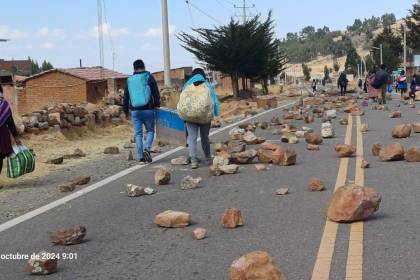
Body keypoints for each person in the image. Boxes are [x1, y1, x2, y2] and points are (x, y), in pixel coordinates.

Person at [123, 59, 160, 164]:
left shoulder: (129, 80)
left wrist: (125, 111)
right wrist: (157, 106)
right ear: (144, 66)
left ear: (134, 68)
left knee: (138, 133)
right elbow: (156, 94)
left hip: (135, 111)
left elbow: (126, 97)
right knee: (150, 131)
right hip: (148, 109)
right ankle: (147, 149)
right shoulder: (149, 77)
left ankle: (141, 157)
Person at [182, 68, 220, 169]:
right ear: (203, 75)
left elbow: (182, 101)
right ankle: (208, 158)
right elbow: (214, 101)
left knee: (192, 139)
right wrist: (217, 115)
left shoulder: (187, 85)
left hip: (190, 117)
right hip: (205, 116)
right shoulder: (207, 85)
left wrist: (183, 115)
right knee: (205, 138)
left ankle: (194, 161)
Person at [0, 85, 21, 175]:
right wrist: (16, 136)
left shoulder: (3, 104)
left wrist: (16, 137)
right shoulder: (3, 104)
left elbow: (10, 121)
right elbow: (10, 122)